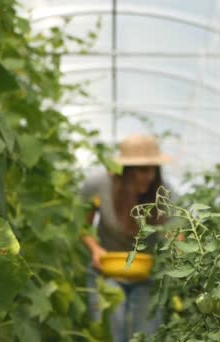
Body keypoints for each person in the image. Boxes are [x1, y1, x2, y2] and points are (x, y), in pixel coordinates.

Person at [81, 134, 171, 342]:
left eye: (153, 169)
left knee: (147, 336)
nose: (149, 176)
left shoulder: (163, 193)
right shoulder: (98, 184)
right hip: (106, 270)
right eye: (142, 170)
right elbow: (82, 224)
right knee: (110, 335)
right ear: (124, 171)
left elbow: (176, 232)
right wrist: (95, 249)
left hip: (147, 273)